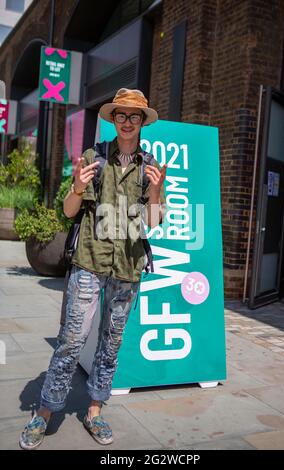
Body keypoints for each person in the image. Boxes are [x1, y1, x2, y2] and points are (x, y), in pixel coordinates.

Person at [19, 88, 166, 450]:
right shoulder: (94, 157)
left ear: (142, 121)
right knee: (71, 340)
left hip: (128, 266)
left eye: (134, 116)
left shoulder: (151, 167)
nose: (127, 121)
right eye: (121, 115)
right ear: (113, 119)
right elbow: (69, 212)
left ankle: (95, 411)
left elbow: (154, 222)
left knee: (111, 343)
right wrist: (76, 187)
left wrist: (156, 193)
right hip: (88, 259)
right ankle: (45, 412)